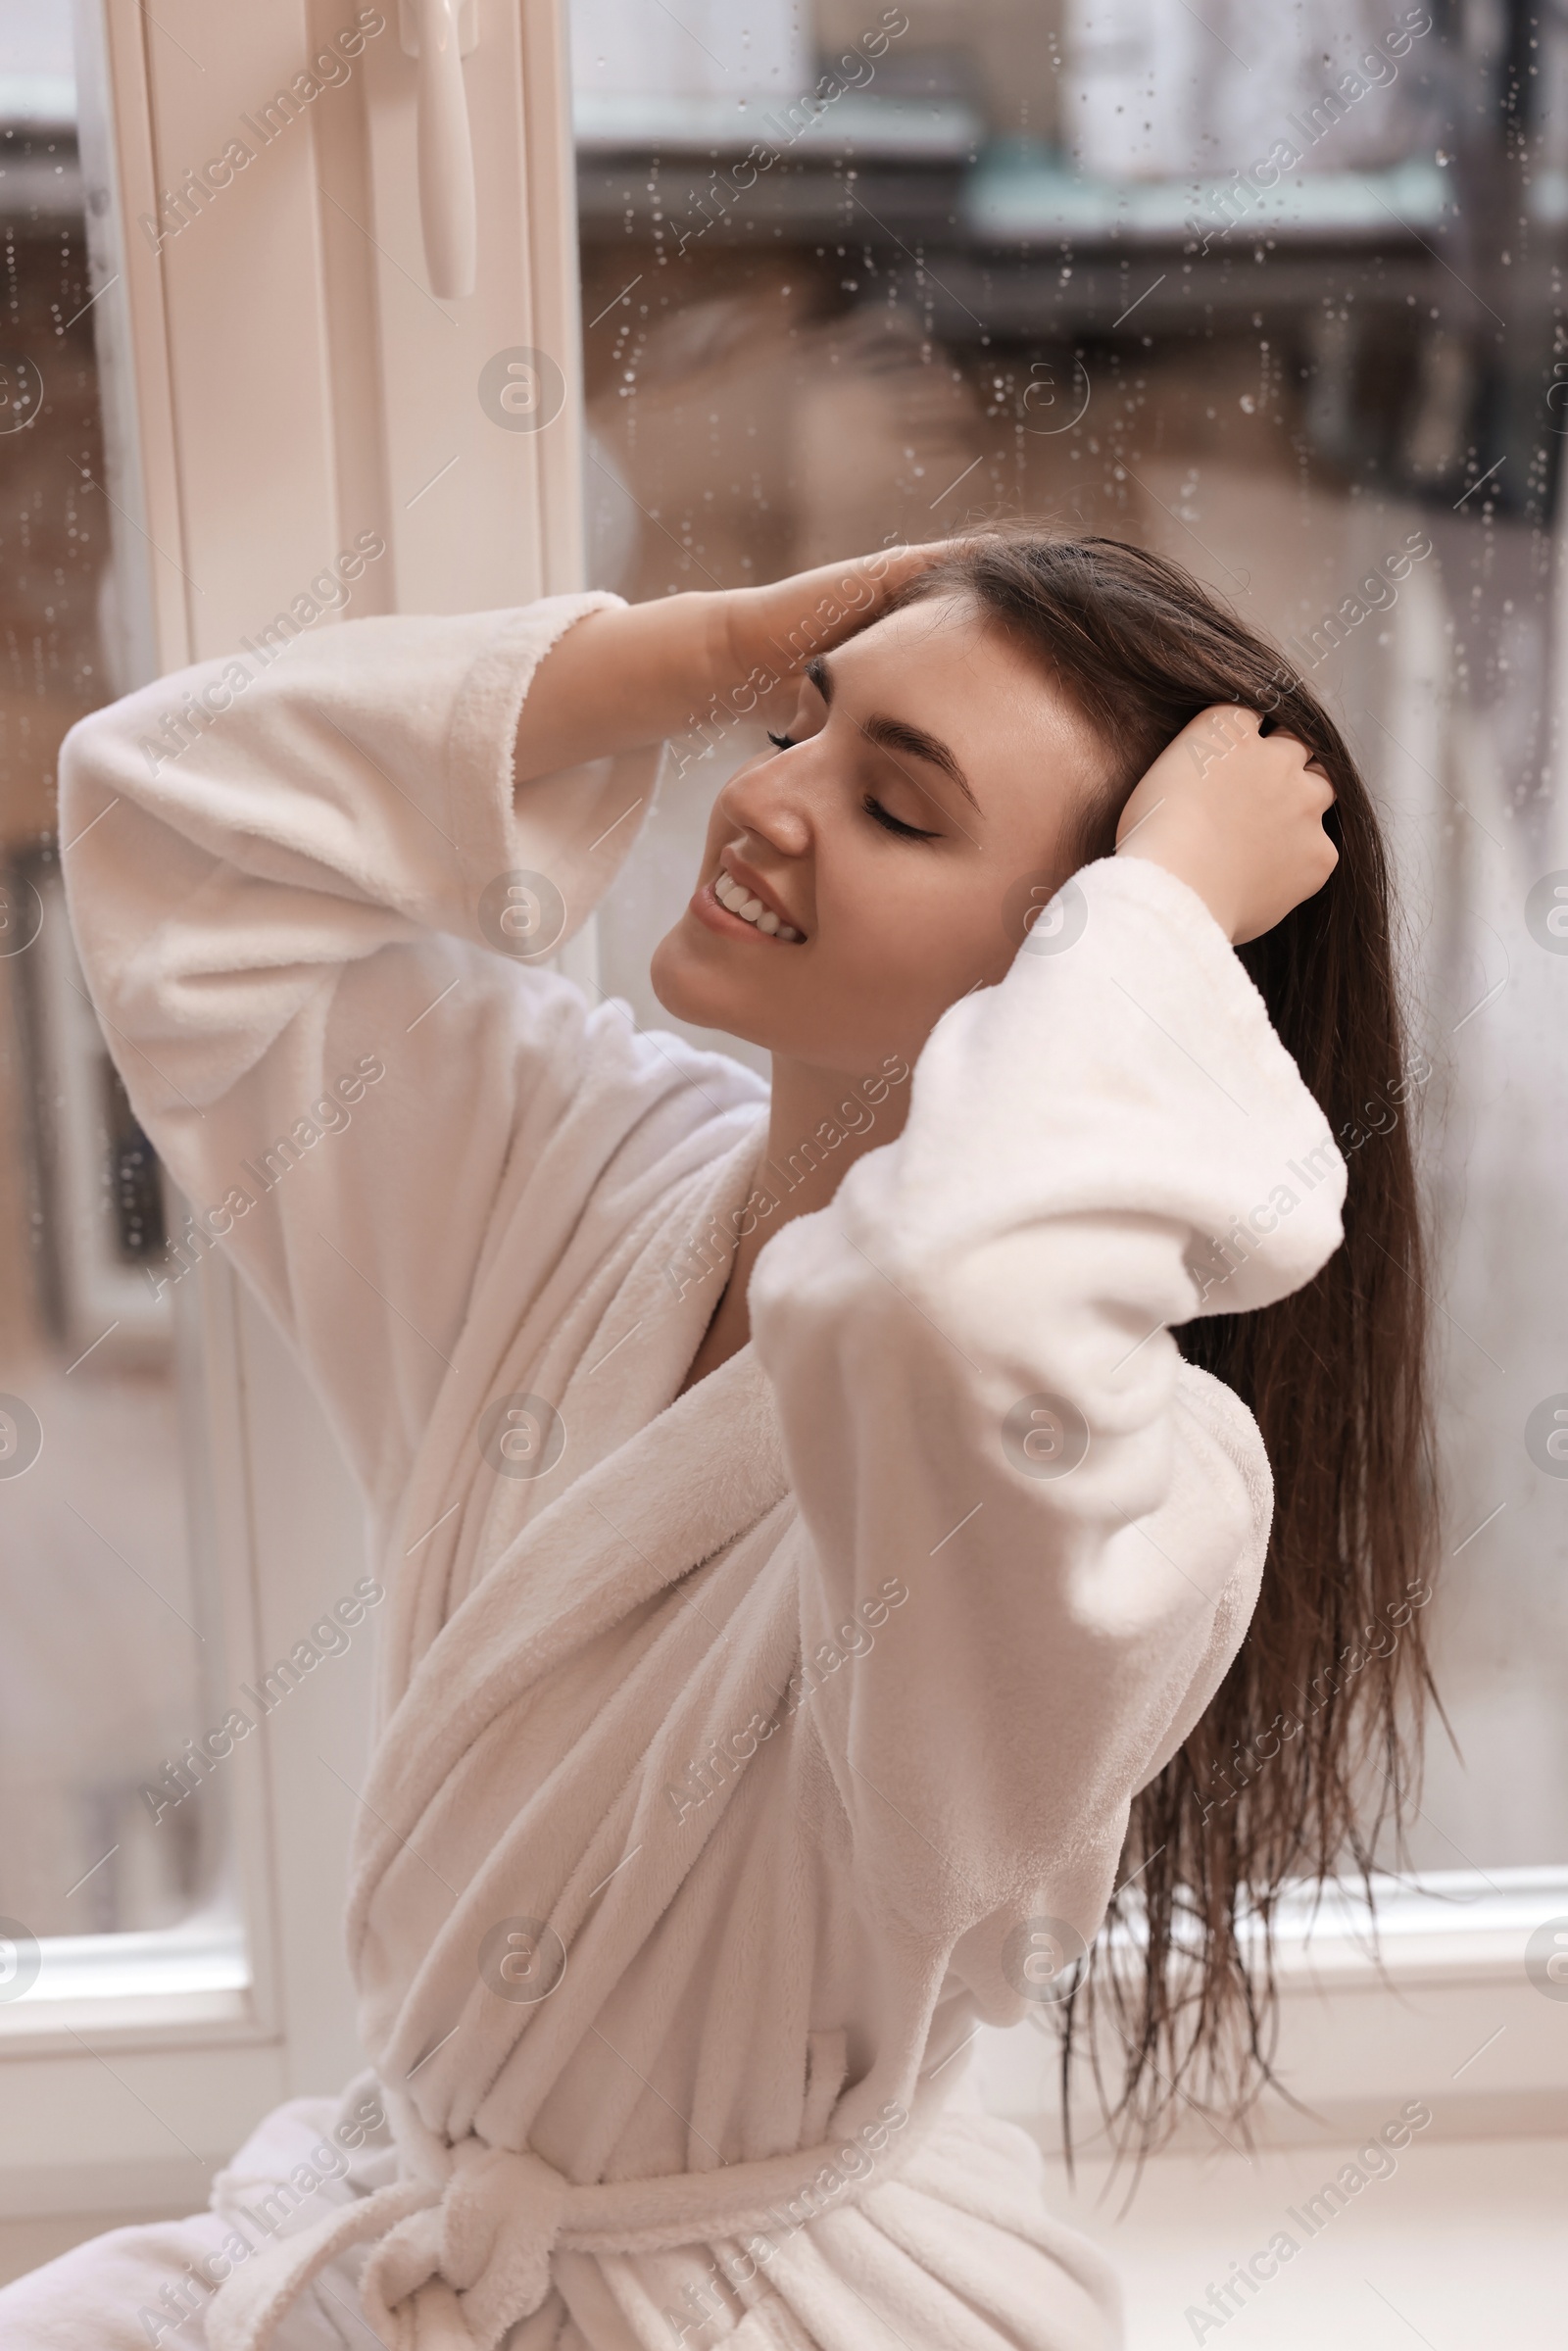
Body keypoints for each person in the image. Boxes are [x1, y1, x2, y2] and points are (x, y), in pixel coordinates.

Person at [4, 532, 1434, 2350]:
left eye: (897, 808)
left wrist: (1156, 909)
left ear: (1085, 994)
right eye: (798, 731)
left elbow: (937, 1306)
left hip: (750, 2307)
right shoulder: (590, 1177)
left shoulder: (1145, 1485)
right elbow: (168, 820)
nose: (766, 800)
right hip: (395, 2229)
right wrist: (695, 652)